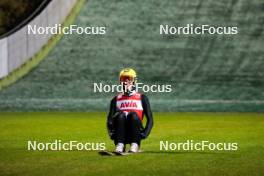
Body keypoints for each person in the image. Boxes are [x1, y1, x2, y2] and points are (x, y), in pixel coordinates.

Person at [107, 68, 153, 153]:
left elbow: (150, 119)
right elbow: (109, 119)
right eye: (124, 79)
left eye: (129, 79)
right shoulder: (116, 99)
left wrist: (145, 133)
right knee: (120, 115)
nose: (127, 82)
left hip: (136, 133)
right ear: (120, 82)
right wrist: (111, 133)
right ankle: (120, 145)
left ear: (134, 81)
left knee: (133, 115)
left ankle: (134, 145)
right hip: (119, 133)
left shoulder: (142, 98)